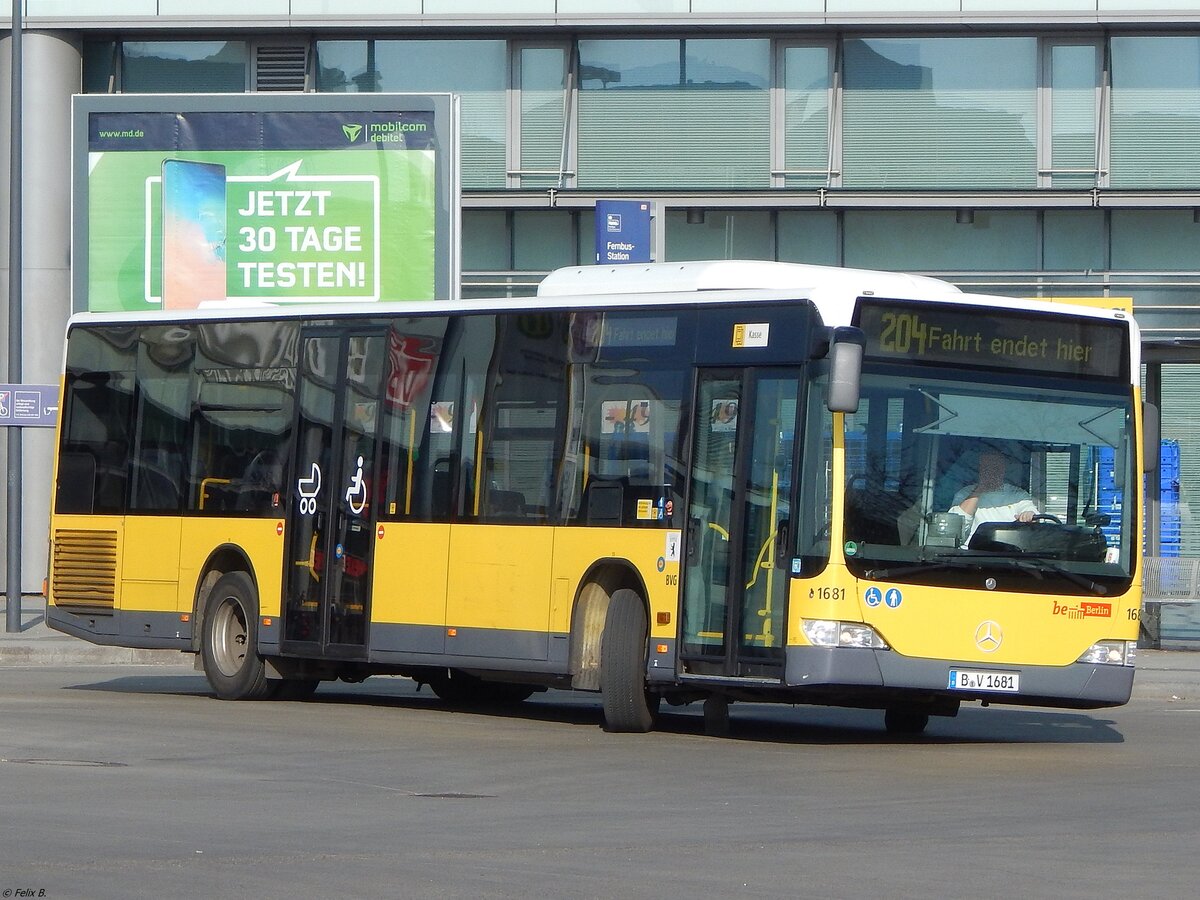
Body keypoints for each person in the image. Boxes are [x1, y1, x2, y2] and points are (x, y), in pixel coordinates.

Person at [948, 449, 1038, 544]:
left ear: (1003, 470)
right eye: (987, 468)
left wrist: (1028, 515)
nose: (992, 472)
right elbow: (954, 526)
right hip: (971, 553)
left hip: (1009, 552)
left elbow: (1030, 512)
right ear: (980, 470)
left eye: (996, 467)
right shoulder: (965, 493)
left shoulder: (1017, 494)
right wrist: (979, 490)